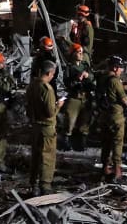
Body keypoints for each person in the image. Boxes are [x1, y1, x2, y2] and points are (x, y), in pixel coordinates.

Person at [26, 60, 64, 196]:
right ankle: (45, 185)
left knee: (35, 156)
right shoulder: (47, 89)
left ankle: (34, 184)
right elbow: (50, 112)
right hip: (46, 127)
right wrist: (58, 105)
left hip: (35, 125)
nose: (53, 76)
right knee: (47, 157)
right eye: (53, 74)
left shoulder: (32, 85)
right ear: (49, 73)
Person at [96, 55, 127, 183]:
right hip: (116, 116)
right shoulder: (115, 81)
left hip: (104, 115)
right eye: (120, 68)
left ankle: (104, 168)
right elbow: (124, 100)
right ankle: (117, 171)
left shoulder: (102, 78)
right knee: (117, 142)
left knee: (106, 143)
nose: (121, 70)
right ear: (115, 68)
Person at [60, 42, 94, 151]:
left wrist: (88, 76)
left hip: (85, 96)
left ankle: (82, 141)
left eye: (81, 52)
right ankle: (65, 140)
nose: (81, 54)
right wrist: (76, 80)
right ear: (73, 54)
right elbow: (66, 82)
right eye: (78, 52)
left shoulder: (85, 65)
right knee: (70, 119)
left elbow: (92, 76)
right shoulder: (69, 67)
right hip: (74, 96)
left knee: (85, 120)